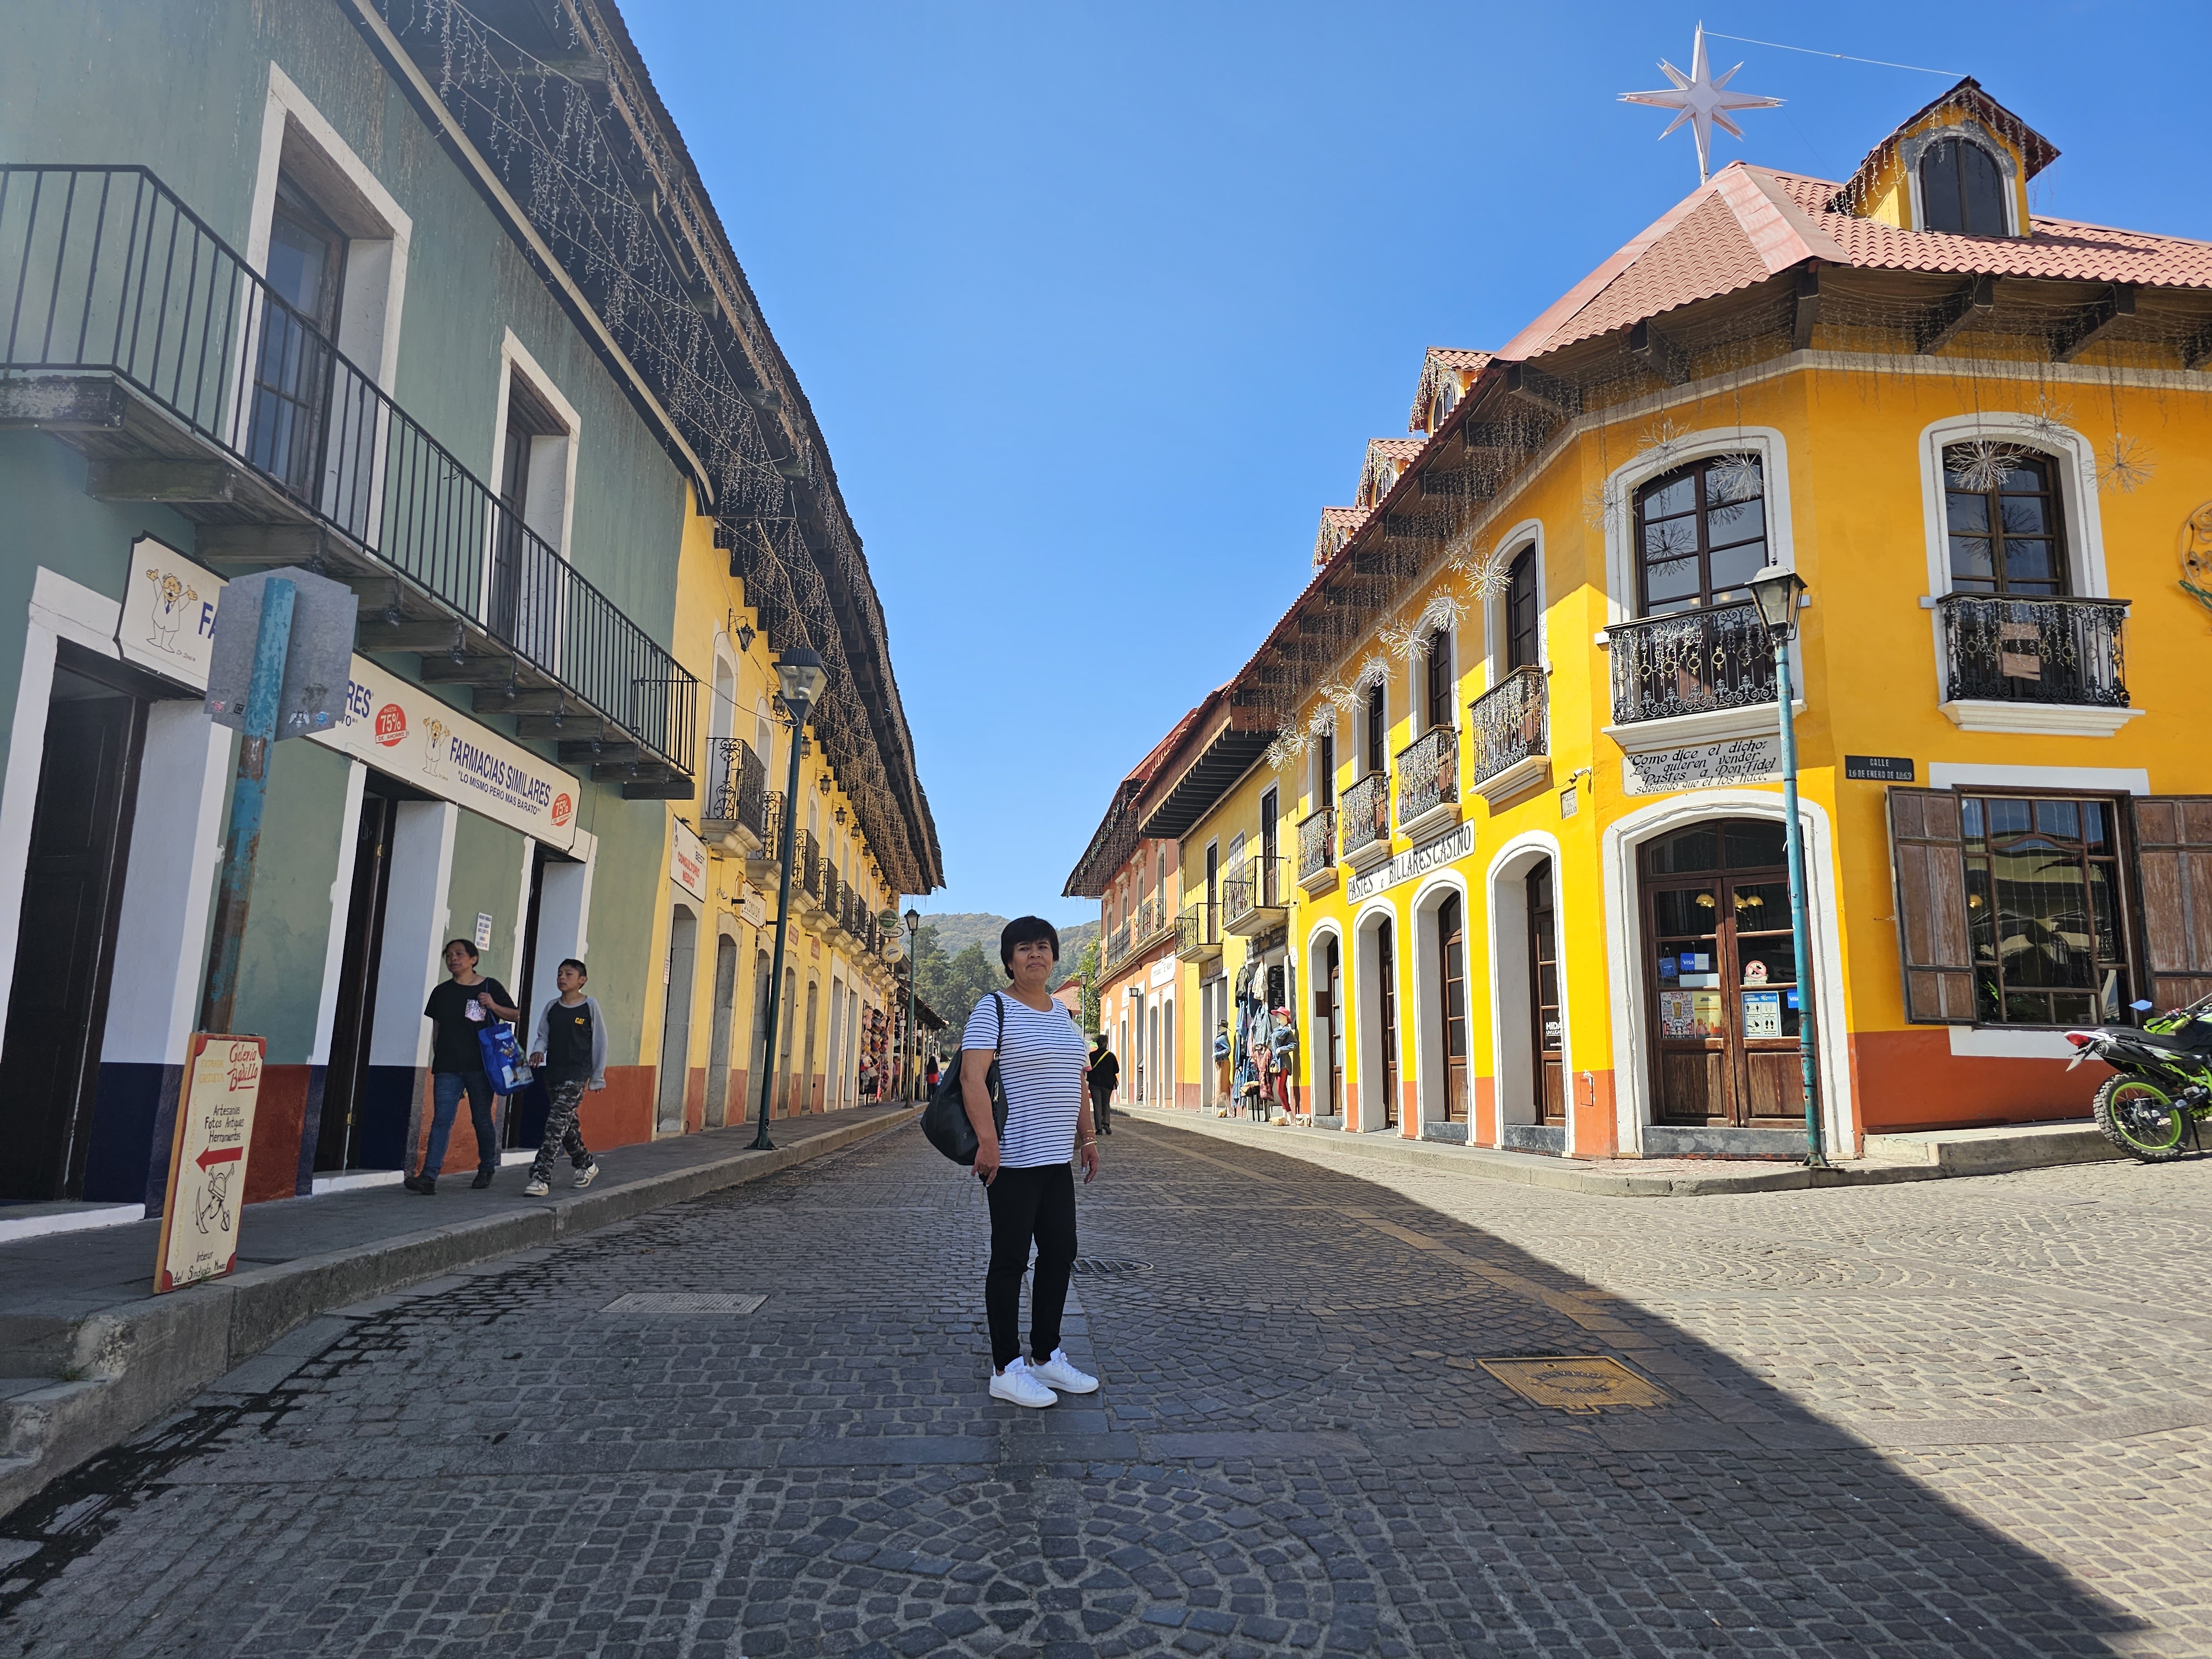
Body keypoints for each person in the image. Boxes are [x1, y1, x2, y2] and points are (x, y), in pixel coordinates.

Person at [962, 916, 1101, 1410]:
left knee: (1061, 1251)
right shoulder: (992, 1009)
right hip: (1013, 1159)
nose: (1035, 955)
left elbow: (1077, 1078)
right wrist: (987, 1143)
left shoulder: (1063, 1017)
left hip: (1055, 1160)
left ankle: (1046, 1355)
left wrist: (1087, 1136)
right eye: (1024, 948)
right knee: (1009, 1261)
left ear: (1054, 956)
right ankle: (1006, 1367)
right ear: (1009, 959)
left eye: (1043, 946)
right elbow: (971, 1079)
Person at [405, 940, 519, 1194]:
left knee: (481, 1119)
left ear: (473, 959)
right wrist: (437, 1054)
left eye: (459, 954)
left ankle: (487, 1167)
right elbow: (438, 1026)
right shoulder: (441, 992)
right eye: (449, 955)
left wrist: (493, 1005)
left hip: (481, 1066)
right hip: (447, 1065)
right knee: (441, 1120)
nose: (453, 959)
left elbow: (517, 1014)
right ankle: (429, 1177)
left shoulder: (490, 987)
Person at [524, 958, 603, 1196]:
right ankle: (586, 1164)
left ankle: (541, 1176)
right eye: (560, 974)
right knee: (567, 1126)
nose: (562, 978)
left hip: (577, 1074)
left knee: (555, 1122)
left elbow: (600, 1042)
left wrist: (598, 1076)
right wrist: (538, 1049)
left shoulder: (590, 1006)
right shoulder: (552, 1007)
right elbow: (543, 1035)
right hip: (554, 1074)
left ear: (582, 980)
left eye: (569, 974)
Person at [1087, 1032, 1118, 1133]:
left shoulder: (1092, 1056)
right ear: (1106, 1043)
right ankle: (1106, 1123)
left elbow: (1088, 1068)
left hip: (1095, 1083)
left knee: (1097, 1105)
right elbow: (1116, 1070)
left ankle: (1099, 1128)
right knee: (1106, 1103)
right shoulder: (1111, 1056)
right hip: (1107, 1084)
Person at [1269, 1007, 1298, 1115]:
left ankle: (1290, 1114)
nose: (1277, 1016)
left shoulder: (1287, 1031)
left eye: (1279, 1015)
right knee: (1283, 1089)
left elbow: (1294, 1044)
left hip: (1284, 1062)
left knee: (1280, 1089)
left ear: (1285, 1017)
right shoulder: (1276, 1030)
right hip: (1276, 1062)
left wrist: (1282, 1049)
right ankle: (1285, 1115)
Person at [1212, 1022, 1232, 1107]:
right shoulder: (1220, 1037)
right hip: (1220, 1064)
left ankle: (1230, 1110)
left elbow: (1228, 1049)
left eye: (1221, 1027)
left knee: (1223, 1087)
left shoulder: (1223, 1038)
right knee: (1220, 1086)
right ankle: (1228, 1109)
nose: (1219, 1028)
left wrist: (1217, 1054)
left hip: (1224, 1063)